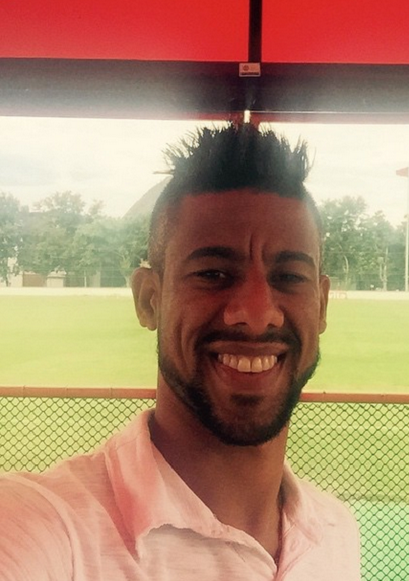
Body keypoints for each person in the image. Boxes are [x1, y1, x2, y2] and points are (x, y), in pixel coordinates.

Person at [0, 123, 361, 580]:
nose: (256, 314)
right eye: (213, 274)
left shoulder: (335, 533)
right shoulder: (45, 527)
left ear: (322, 305)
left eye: (289, 277)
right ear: (149, 299)